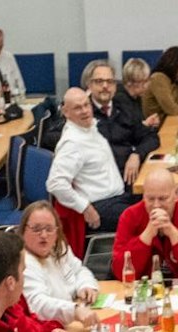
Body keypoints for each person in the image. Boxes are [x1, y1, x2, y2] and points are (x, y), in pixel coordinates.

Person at [48, 88, 132, 248]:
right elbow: (55, 184)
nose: (85, 111)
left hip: (117, 197)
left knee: (160, 206)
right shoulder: (72, 143)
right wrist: (85, 208)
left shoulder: (89, 129)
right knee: (148, 217)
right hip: (101, 205)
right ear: (66, 112)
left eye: (86, 105)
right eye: (78, 108)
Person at [114, 168, 178, 281]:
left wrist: (172, 232)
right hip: (145, 291)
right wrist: (146, 235)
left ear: (176, 194)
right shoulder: (130, 216)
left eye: (163, 199)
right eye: (150, 199)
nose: (156, 205)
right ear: (143, 195)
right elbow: (120, 273)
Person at [19, 202, 100, 330]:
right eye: (36, 229)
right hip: (49, 330)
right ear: (23, 231)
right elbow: (38, 304)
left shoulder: (58, 248)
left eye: (49, 229)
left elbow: (80, 270)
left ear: (57, 231)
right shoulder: (22, 263)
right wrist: (74, 311)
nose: (44, 235)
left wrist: (86, 286)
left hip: (72, 323)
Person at [86, 61, 159, 183]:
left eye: (109, 82)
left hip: (128, 178)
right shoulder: (82, 111)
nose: (105, 86)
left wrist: (136, 155)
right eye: (99, 81)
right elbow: (51, 137)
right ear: (89, 85)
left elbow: (151, 137)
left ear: (115, 85)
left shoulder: (123, 108)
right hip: (100, 183)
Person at [142, 47, 178, 119]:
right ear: (173, 65)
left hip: (170, 121)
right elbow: (172, 110)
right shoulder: (158, 78)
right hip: (155, 126)